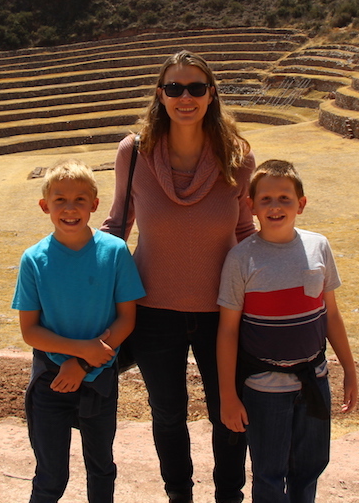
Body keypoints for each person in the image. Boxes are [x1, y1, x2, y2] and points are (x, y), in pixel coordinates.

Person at [102, 50, 256, 503]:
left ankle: (229, 496)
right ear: (160, 94)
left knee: (228, 411)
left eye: (195, 88)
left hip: (222, 312)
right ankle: (179, 496)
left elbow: (244, 230)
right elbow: (118, 224)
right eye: (174, 88)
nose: (184, 97)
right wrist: (69, 263)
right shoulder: (134, 153)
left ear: (211, 94)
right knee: (167, 414)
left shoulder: (238, 156)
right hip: (152, 310)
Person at [217, 159, 359, 503]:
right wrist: (228, 396)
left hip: (314, 379)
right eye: (265, 199)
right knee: (268, 474)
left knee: (310, 468)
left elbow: (331, 315)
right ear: (250, 206)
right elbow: (228, 331)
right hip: (264, 389)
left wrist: (350, 370)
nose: (275, 206)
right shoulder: (241, 259)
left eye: (285, 198)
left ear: (301, 204)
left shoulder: (318, 247)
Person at [13, 160, 146, 503]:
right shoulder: (33, 259)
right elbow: (30, 331)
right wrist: (81, 352)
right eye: (60, 200)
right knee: (50, 477)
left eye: (80, 200)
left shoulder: (114, 252)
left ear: (95, 205)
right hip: (51, 379)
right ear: (45, 206)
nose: (70, 209)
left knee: (101, 468)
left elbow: (126, 320)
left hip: (99, 378)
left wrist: (84, 363)